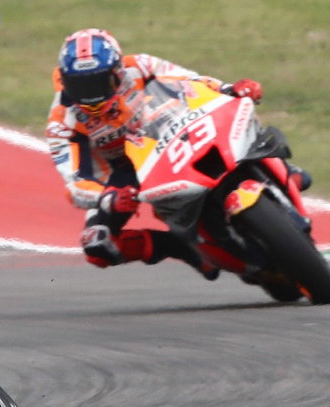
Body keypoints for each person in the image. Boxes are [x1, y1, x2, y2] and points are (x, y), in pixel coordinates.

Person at [47, 27, 306, 275]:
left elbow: (190, 79)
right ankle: (185, 249)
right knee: (97, 246)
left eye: (99, 82)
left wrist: (229, 89)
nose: (92, 96)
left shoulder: (139, 65)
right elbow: (76, 183)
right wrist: (108, 198)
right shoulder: (62, 121)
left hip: (171, 128)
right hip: (124, 173)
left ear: (117, 70)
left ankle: (280, 170)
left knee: (238, 115)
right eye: (81, 86)